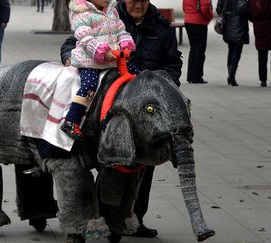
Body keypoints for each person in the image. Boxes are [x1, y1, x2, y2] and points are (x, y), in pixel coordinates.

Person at [60, 0, 183, 238]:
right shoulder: (107, 15)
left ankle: (134, 216)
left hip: (148, 106)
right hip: (113, 102)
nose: (137, 4)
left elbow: (173, 62)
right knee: (111, 160)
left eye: (142, 0)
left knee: (144, 162)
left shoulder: (161, 27)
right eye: (132, 0)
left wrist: (163, 86)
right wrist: (70, 58)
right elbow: (71, 43)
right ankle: (106, 216)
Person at [60, 0, 136, 140]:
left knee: (135, 73)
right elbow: (85, 38)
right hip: (89, 60)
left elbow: (120, 30)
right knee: (89, 85)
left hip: (113, 59)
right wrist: (101, 51)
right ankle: (71, 120)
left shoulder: (111, 11)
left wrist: (125, 42)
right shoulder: (81, 14)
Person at [249, 0, 271, 87]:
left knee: (262, 54)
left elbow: (249, 11)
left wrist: (256, 20)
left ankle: (263, 80)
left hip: (259, 27)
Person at [216, 0, 249, 86]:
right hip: (239, 25)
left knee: (231, 49)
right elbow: (243, 9)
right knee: (237, 50)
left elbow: (218, 8)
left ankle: (230, 74)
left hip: (228, 24)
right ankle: (232, 75)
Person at [183, 0, 213, 84]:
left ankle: (190, 76)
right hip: (199, 22)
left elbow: (184, 7)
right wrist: (210, 16)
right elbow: (205, 8)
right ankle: (196, 77)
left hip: (188, 21)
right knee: (200, 50)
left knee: (193, 49)